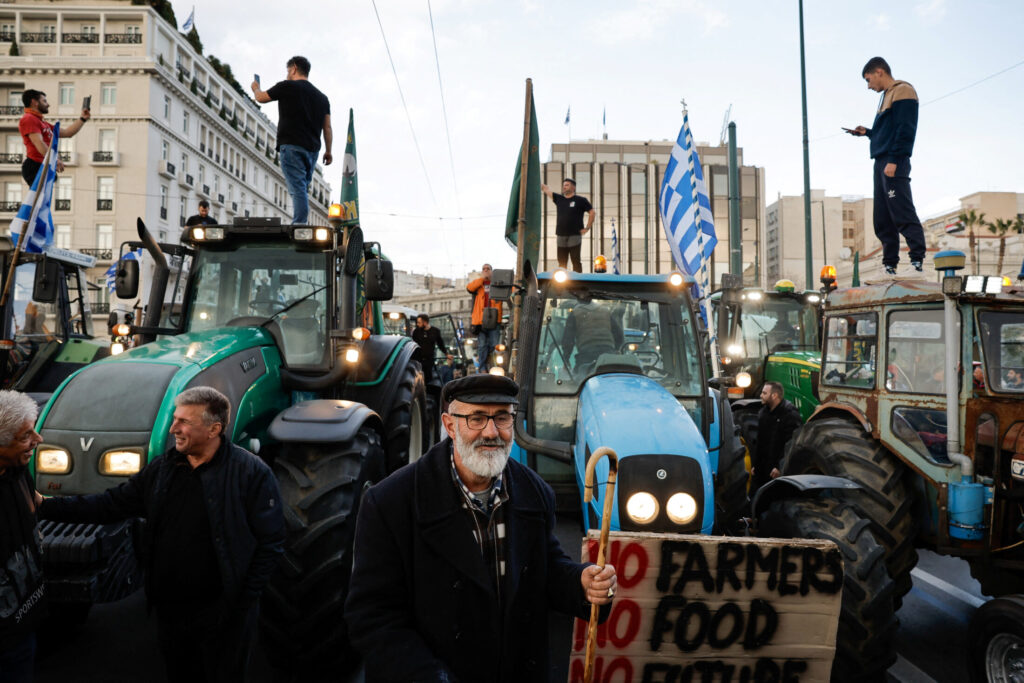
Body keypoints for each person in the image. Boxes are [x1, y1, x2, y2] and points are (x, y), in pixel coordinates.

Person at [345, 374, 616, 682]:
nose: (491, 432)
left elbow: (545, 567)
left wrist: (581, 582)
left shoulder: (535, 492)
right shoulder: (391, 504)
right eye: (476, 418)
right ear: (449, 425)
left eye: (502, 418)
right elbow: (372, 617)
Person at [38, 387, 285, 683]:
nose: (173, 428)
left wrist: (242, 601)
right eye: (174, 419)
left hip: (223, 614)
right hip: (171, 611)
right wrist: (47, 507)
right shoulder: (163, 469)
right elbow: (110, 505)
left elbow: (271, 544)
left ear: (213, 429)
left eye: (184, 422)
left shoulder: (250, 474)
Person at [845, 57, 926, 276]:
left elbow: (905, 129)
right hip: (881, 161)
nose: (868, 86)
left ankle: (917, 262)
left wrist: (895, 160)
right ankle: (890, 265)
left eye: (869, 80)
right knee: (882, 216)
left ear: (879, 71)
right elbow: (889, 131)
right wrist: (868, 133)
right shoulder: (885, 96)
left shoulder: (903, 90)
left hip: (893, 162)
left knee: (901, 210)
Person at [251, 56, 332, 224]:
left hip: (292, 145)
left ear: (294, 68)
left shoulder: (287, 86)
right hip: (312, 151)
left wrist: (255, 88)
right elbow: (327, 127)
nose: (287, 74)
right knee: (302, 187)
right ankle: (300, 221)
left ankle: (300, 224)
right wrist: (329, 151)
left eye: (288, 71)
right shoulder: (322, 98)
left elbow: (261, 98)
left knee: (297, 189)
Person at [0, 391, 45, 683]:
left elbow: (39, 503)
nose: (38, 439)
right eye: (25, 435)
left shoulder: (19, 472)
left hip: (23, 625)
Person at [19, 89, 90, 187]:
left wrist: (82, 119)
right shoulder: (28, 119)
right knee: (39, 200)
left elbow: (67, 133)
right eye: (44, 101)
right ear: (34, 102)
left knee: (43, 201)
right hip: (35, 166)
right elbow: (39, 143)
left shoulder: (42, 123)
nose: (48, 104)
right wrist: (54, 160)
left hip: (44, 165)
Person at [750, 382, 802, 493]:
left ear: (774, 396)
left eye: (764, 393)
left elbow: (792, 444)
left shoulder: (790, 415)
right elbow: (760, 442)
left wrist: (780, 466)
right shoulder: (763, 413)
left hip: (777, 470)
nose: (760, 395)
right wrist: (756, 465)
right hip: (763, 468)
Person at [542, 178, 595, 273]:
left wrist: (587, 228)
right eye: (563, 185)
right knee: (562, 262)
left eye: (567, 185)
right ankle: (562, 283)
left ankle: (578, 281)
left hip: (574, 235)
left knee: (575, 260)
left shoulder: (581, 200)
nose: (564, 187)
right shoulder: (559, 199)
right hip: (561, 235)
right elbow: (545, 189)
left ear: (573, 187)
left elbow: (592, 212)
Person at [561, 296, 624, 371]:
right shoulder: (605, 311)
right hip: (608, 354)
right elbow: (619, 336)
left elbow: (568, 340)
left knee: (578, 378)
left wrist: (566, 359)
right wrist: (614, 350)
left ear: (578, 300)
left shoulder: (575, 313)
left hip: (587, 354)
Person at [466, 264, 503, 372]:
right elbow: (469, 287)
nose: (486, 270)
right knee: (482, 345)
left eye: (488, 269)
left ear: (492, 271)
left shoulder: (497, 283)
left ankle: (493, 366)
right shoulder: (478, 284)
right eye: (484, 269)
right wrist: (482, 279)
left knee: (494, 345)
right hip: (480, 321)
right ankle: (482, 368)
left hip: (494, 319)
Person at [411, 313, 450, 385]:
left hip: (429, 360)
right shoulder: (416, 332)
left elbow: (440, 344)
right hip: (418, 360)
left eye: (419, 322)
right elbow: (413, 344)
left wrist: (446, 354)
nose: (417, 324)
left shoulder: (435, 331)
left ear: (425, 323)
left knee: (428, 379)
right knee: (417, 379)